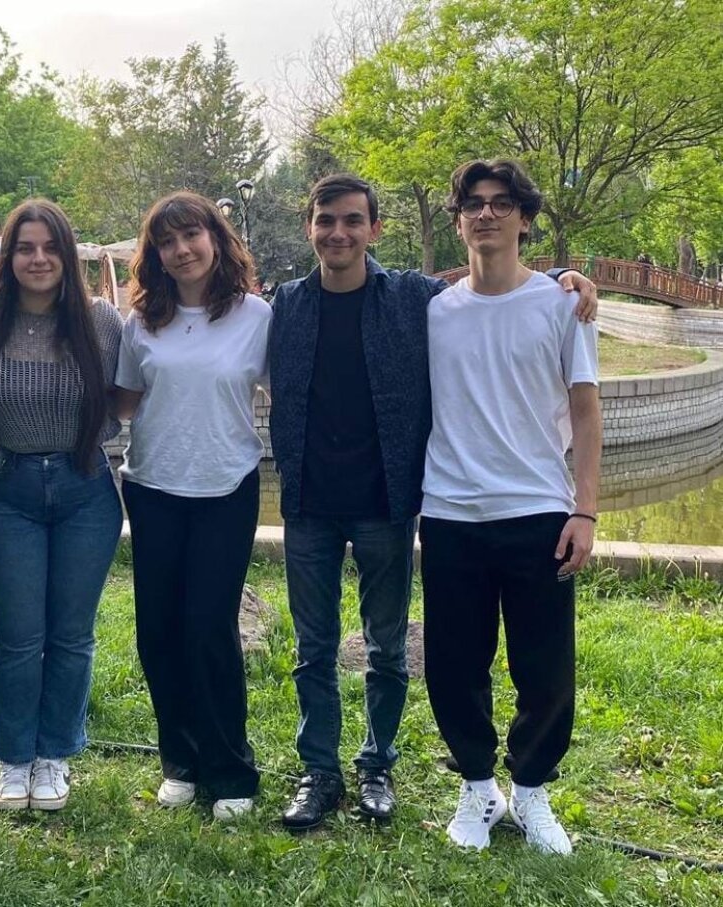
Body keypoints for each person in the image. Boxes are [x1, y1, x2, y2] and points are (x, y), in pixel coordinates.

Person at [268, 174, 600, 832]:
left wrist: (562, 276)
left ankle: (400, 769)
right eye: (326, 220)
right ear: (309, 227)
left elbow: (504, 287)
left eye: (353, 220)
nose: (339, 232)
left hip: (399, 503)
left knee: (401, 650)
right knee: (334, 650)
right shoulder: (293, 305)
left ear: (375, 229)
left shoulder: (413, 297)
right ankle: (332, 772)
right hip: (336, 503)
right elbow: (480, 284)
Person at [421, 159, 600, 855]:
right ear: (458, 220)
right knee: (453, 663)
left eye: (502, 203)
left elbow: (585, 412)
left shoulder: (563, 304)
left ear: (524, 219)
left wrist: (585, 510)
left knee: (545, 666)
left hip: (538, 509)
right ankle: (477, 786)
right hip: (450, 510)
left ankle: (530, 788)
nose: (486, 214)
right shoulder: (435, 310)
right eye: (473, 203)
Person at [0, 199, 123, 812]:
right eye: (25, 248)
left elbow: (130, 393)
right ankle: (13, 758)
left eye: (51, 247)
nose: (38, 259)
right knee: (18, 638)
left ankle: (54, 753)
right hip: (9, 488)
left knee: (73, 635)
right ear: (8, 257)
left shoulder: (100, 320)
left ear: (68, 255)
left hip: (86, 488)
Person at [114, 191, 269, 821]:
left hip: (226, 488)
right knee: (159, 630)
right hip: (153, 487)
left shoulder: (256, 316)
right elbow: (123, 403)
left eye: (191, 235)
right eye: (166, 242)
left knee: (209, 629)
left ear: (215, 238)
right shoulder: (141, 322)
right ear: (154, 255)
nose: (181, 250)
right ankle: (179, 760)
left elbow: (295, 392)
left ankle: (230, 769)